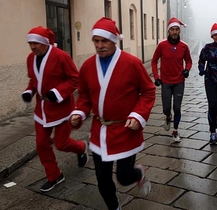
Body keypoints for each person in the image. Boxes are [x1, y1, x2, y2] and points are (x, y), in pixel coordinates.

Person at [70, 17, 156, 210]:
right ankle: (114, 207)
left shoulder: (131, 63)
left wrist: (137, 116)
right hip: (99, 131)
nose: (99, 46)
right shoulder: (87, 66)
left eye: (104, 41)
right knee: (102, 178)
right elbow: (84, 96)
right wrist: (79, 112)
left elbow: (148, 91)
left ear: (114, 40)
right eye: (96, 41)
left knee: (124, 177)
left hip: (125, 130)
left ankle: (138, 173)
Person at [22, 26, 88, 192]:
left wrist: (57, 92)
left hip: (62, 109)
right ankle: (55, 175)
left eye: (36, 43)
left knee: (61, 143)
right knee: (41, 144)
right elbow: (34, 80)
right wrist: (29, 92)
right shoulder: (30, 58)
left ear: (44, 42)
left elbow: (75, 79)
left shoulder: (61, 56)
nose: (32, 46)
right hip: (41, 110)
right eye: (30, 43)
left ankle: (81, 148)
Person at [151, 17, 192, 143]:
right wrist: (156, 77)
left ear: (179, 31)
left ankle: (175, 131)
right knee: (166, 108)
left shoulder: (184, 46)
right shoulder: (162, 45)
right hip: (166, 82)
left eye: (177, 30)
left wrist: (187, 70)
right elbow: (154, 61)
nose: (174, 32)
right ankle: (168, 117)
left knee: (177, 108)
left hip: (179, 81)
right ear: (168, 31)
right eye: (172, 30)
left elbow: (189, 61)